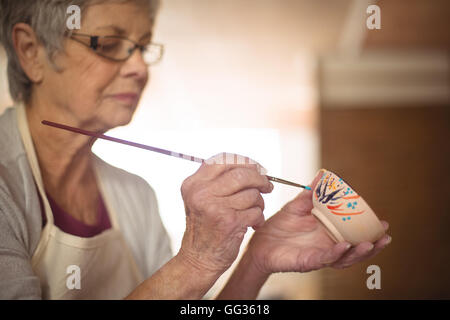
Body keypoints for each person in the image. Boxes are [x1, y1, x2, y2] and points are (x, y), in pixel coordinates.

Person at [0, 0, 391, 300]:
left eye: (143, 46)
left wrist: (256, 260)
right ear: (31, 51)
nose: (139, 67)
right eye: (110, 44)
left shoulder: (135, 195)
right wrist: (195, 262)